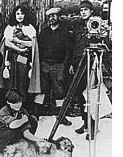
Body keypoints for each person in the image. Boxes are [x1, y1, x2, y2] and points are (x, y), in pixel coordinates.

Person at [38, 8, 72, 125]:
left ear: (59, 17)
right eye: (50, 16)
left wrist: (65, 65)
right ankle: (37, 113)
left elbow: (69, 50)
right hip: (44, 64)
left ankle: (60, 115)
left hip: (58, 65)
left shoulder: (64, 33)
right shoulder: (44, 32)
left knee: (59, 91)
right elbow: (38, 48)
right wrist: (39, 63)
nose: (52, 18)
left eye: (54, 16)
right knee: (41, 89)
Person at [1, 5, 41, 101]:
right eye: (17, 14)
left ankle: (22, 103)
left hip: (24, 58)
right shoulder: (10, 28)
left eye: (22, 14)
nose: (20, 16)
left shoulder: (29, 28)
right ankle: (11, 102)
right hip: (11, 58)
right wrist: (18, 49)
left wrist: (18, 41)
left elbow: (32, 44)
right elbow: (6, 42)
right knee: (11, 81)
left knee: (22, 80)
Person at [69, 0, 96, 140]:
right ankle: (85, 123)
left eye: (86, 9)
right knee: (80, 95)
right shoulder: (78, 26)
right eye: (81, 10)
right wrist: (72, 64)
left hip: (91, 64)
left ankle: (92, 126)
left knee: (90, 95)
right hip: (78, 63)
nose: (83, 12)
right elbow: (73, 46)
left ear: (91, 11)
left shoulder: (97, 25)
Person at [0, 88, 45, 152]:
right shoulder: (4, 111)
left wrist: (37, 139)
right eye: (15, 103)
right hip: (0, 136)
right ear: (8, 102)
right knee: (8, 129)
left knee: (32, 119)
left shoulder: (22, 111)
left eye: (20, 102)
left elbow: (26, 131)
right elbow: (12, 125)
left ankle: (23, 142)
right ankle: (0, 150)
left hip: (13, 134)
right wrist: (23, 120)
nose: (18, 105)